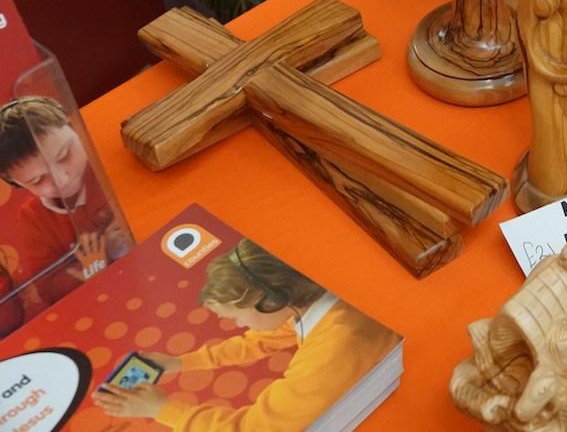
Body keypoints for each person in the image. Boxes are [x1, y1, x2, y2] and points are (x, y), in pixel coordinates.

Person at [94, 238, 401, 432]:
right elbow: (261, 341)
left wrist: (162, 409)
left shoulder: (334, 349)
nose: (239, 325)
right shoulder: (313, 303)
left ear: (271, 300)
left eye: (236, 316)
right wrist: (181, 362)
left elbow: (256, 428)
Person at [0, 97, 128, 307]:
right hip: (104, 300)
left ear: (75, 129)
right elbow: (49, 290)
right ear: (17, 183)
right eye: (37, 180)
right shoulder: (32, 218)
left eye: (64, 156)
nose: (61, 180)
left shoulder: (111, 162)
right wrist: (104, 253)